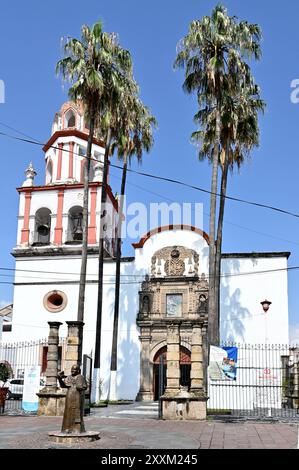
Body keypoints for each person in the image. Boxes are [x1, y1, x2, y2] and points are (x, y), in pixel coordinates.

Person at [57, 364, 87, 434]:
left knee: (77, 411)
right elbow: (63, 385)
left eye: (74, 369)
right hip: (69, 395)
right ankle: (67, 428)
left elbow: (85, 386)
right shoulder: (69, 377)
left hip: (77, 396)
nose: (72, 371)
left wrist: (80, 388)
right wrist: (59, 379)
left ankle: (77, 428)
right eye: (72, 369)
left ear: (78, 370)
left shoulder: (81, 377)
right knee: (68, 411)